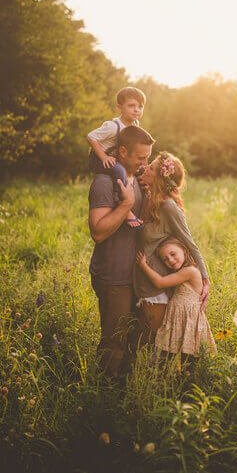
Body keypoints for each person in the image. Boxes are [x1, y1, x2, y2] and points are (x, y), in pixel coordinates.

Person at [88, 125, 154, 378]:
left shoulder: (136, 179)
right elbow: (98, 232)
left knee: (135, 338)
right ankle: (104, 399)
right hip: (113, 275)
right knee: (114, 342)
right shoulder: (104, 182)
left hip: (136, 274)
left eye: (147, 157)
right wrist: (126, 203)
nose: (144, 162)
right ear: (123, 151)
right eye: (140, 157)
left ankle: (125, 392)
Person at [135, 152, 210, 344]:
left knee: (156, 343)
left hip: (155, 286)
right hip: (143, 280)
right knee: (144, 339)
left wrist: (205, 277)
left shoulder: (168, 206)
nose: (146, 169)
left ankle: (162, 375)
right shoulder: (153, 199)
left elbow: (190, 242)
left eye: (151, 168)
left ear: (160, 178)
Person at [136, 238, 216, 356]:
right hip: (181, 319)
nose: (171, 260)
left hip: (189, 321)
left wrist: (144, 266)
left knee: (189, 358)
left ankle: (185, 373)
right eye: (165, 259)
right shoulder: (182, 271)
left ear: (184, 250)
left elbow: (160, 282)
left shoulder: (190, 271)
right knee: (174, 355)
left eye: (173, 254)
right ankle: (172, 373)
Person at [87, 86, 146, 229]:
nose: (136, 109)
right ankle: (121, 202)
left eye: (140, 106)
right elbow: (91, 137)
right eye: (131, 106)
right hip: (99, 159)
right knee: (120, 171)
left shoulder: (135, 124)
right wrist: (104, 157)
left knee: (141, 170)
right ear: (119, 107)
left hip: (115, 158)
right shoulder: (113, 126)